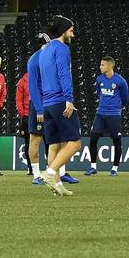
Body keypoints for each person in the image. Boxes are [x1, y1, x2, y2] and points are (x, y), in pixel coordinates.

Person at [38, 14, 82, 196]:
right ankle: (49, 174)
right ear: (64, 31)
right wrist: (69, 99)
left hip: (47, 103)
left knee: (54, 144)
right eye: (71, 30)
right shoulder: (62, 49)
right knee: (74, 143)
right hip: (59, 101)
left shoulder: (45, 50)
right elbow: (64, 75)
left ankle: (57, 185)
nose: (73, 34)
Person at [85, 56, 129, 177]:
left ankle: (114, 168)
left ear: (109, 66)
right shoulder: (99, 79)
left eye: (102, 65)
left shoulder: (120, 81)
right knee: (93, 139)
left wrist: (117, 107)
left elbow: (125, 98)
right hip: (100, 114)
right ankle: (93, 167)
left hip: (114, 115)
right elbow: (99, 93)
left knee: (116, 141)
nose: (100, 67)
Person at [25, 32, 50, 184]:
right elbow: (33, 87)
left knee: (55, 140)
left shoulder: (51, 58)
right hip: (39, 104)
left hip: (52, 102)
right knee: (35, 139)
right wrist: (39, 109)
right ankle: (36, 175)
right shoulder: (34, 60)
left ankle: (54, 172)